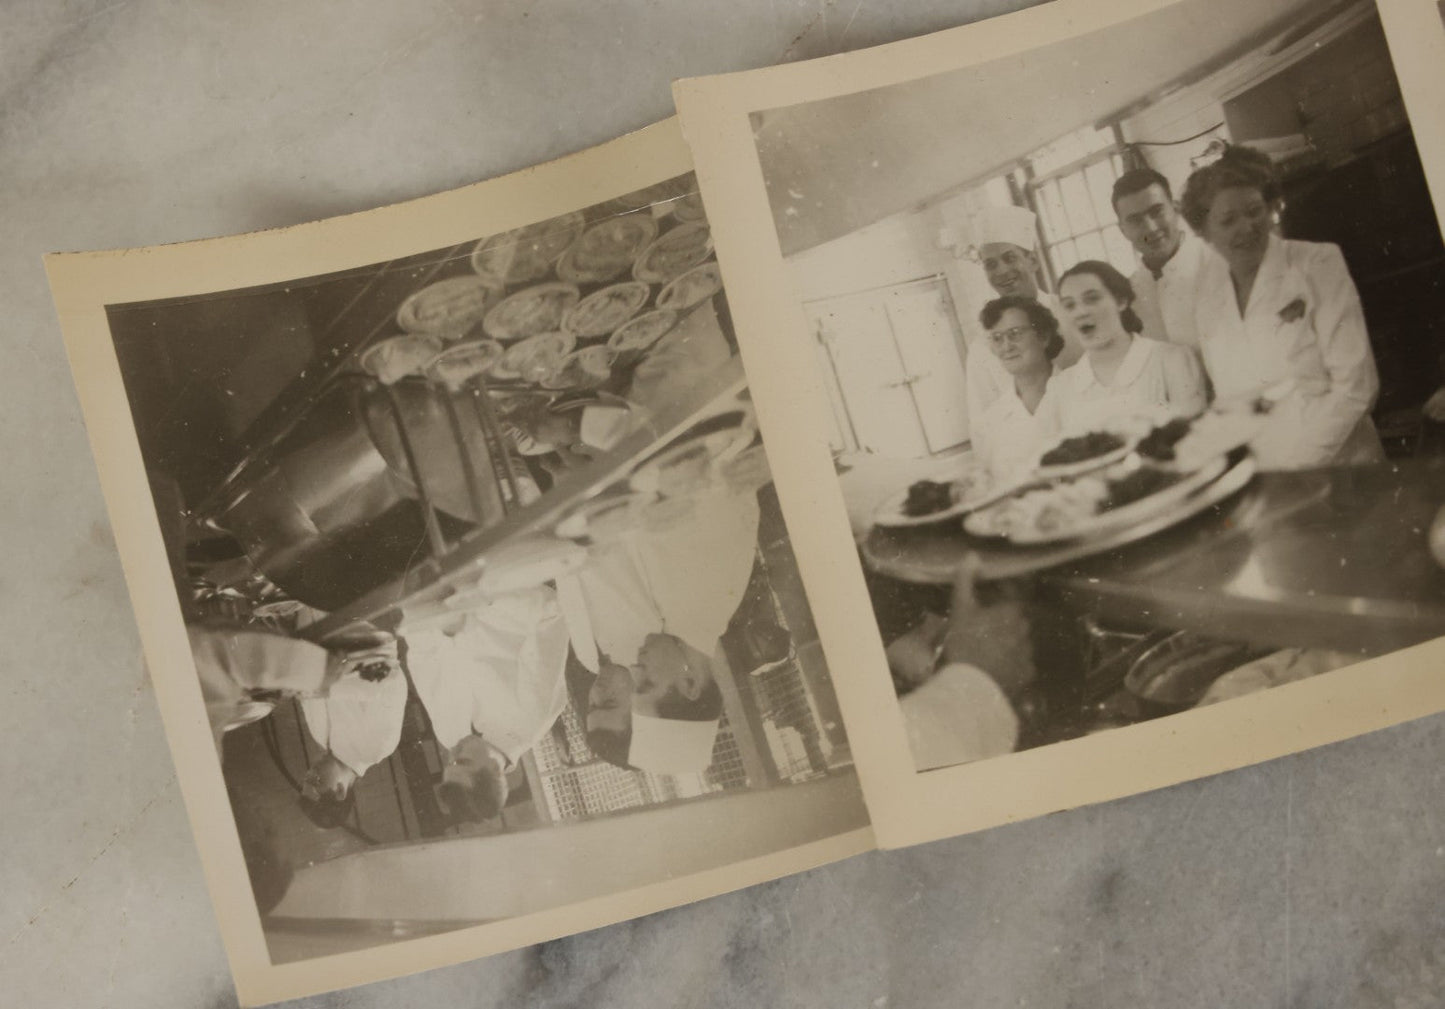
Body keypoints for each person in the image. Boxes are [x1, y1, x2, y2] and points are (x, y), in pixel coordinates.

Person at [1181, 144, 1384, 469]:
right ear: (1203, 232)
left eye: (1254, 210)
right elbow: (1229, 400)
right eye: (1228, 220)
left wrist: (1300, 464)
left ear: (1270, 207)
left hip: (1340, 460)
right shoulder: (1207, 298)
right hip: (1263, 468)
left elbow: (1357, 386)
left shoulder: (1317, 262)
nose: (1246, 227)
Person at [559, 486, 760, 774]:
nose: (635, 669)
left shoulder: (674, 626)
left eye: (635, 688)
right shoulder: (708, 600)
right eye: (646, 684)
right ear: (691, 685)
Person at [402, 585, 573, 824]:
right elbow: (550, 614)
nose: (453, 753)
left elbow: (425, 661)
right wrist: (473, 603)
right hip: (488, 581)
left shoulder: (450, 738)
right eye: (462, 762)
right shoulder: (533, 717)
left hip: (427, 599)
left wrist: (421, 613)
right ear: (495, 771)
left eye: (448, 763)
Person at [964, 205, 1085, 446]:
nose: (1002, 271)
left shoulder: (1071, 314)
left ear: (1032, 260)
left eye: (1010, 258)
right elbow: (982, 426)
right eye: (990, 264)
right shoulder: (982, 347)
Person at [1049, 260, 1207, 435]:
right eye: (1070, 305)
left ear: (1121, 301)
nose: (1080, 312)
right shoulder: (1061, 386)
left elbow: (1195, 436)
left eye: (1092, 299)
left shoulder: (1170, 360)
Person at [1111, 167, 1209, 349]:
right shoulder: (1129, 294)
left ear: (1176, 208)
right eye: (1135, 220)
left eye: (1157, 211)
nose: (1151, 228)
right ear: (1122, 230)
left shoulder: (1215, 262)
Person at [970, 296, 1064, 481]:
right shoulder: (988, 423)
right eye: (997, 338)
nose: (1006, 346)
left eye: (1015, 333)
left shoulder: (1081, 391)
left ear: (1043, 337)